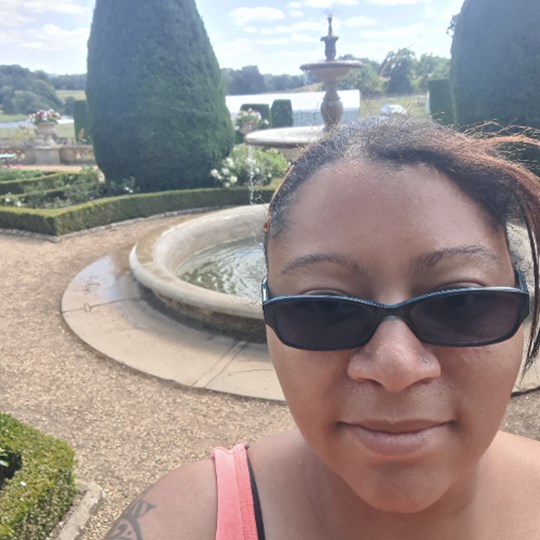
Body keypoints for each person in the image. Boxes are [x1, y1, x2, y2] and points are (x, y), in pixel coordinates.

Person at [105, 120, 540, 539]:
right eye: (326, 308)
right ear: (269, 323)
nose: (396, 367)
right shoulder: (185, 525)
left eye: (460, 303)